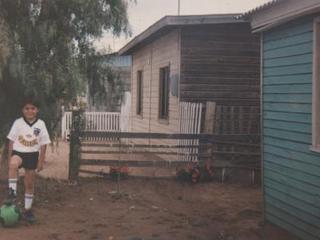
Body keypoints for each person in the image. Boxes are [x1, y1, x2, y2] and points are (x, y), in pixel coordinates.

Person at [6, 96, 51, 223]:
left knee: (29, 184)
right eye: (27, 108)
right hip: (18, 152)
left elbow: (43, 144)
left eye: (33, 108)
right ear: (22, 110)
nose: (30, 111)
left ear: (37, 110)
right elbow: (11, 141)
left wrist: (41, 161)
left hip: (32, 155)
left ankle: (28, 210)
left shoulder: (41, 124)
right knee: (14, 164)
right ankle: (12, 193)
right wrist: (9, 157)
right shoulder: (18, 122)